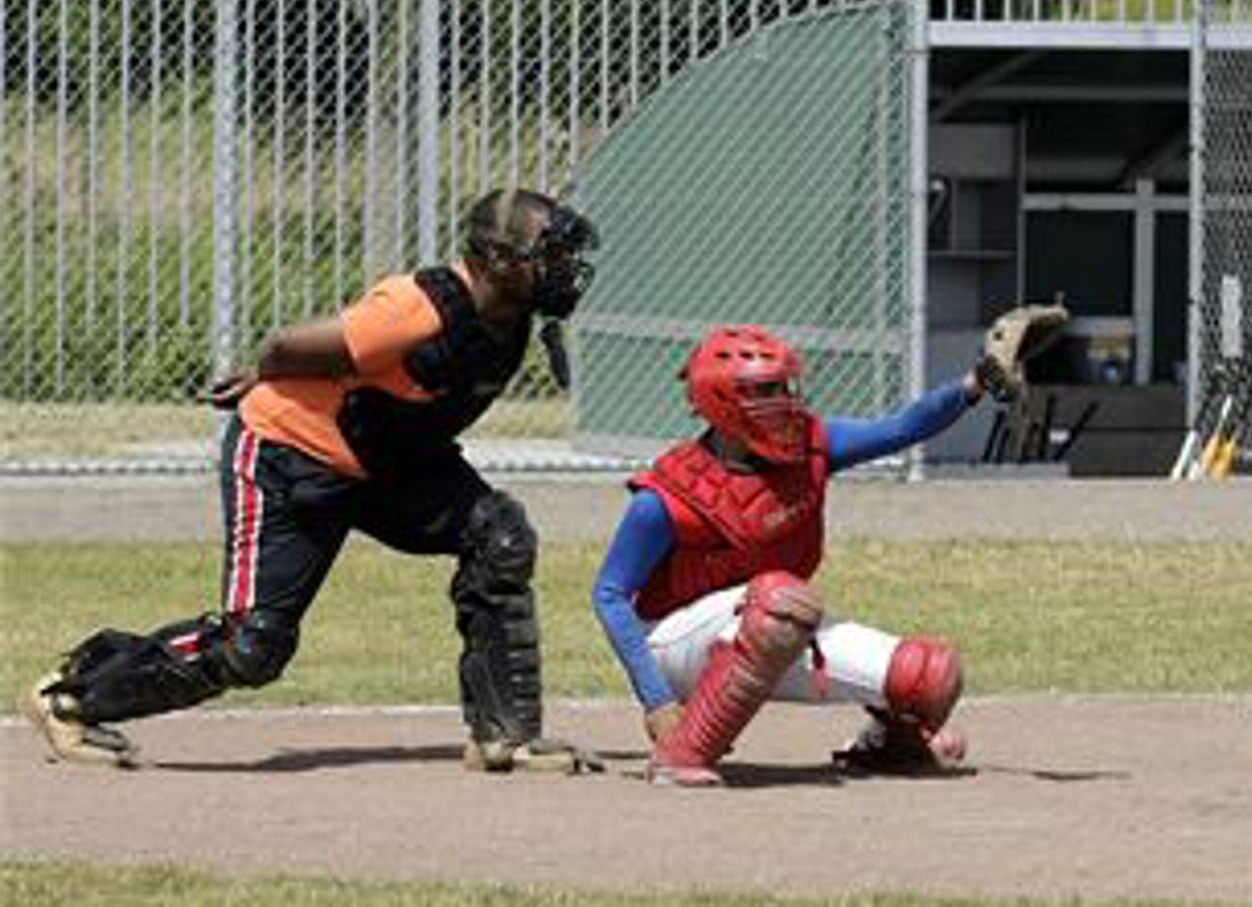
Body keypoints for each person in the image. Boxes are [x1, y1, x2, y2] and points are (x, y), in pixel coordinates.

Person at [20, 188, 603, 774]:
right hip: (291, 455)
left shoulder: (509, 321)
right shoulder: (416, 308)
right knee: (253, 647)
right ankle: (71, 699)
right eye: (547, 255)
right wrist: (264, 377)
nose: (563, 270)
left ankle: (506, 734)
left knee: (498, 535)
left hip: (387, 463)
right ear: (498, 260)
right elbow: (283, 346)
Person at [592, 305, 1063, 787]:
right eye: (762, 392)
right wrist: (657, 700)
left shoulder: (810, 447)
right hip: (672, 644)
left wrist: (975, 383)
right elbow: (608, 595)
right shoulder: (668, 495)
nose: (782, 402)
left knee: (928, 675)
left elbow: (901, 427)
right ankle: (681, 754)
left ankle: (889, 747)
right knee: (779, 603)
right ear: (720, 401)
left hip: (767, 624)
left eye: (782, 388)